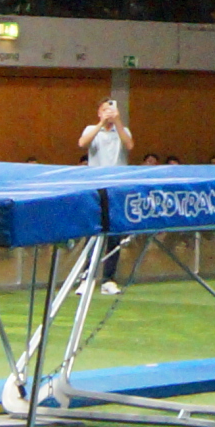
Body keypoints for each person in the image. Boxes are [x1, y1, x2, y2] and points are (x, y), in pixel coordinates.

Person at [79, 100, 134, 294]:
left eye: (111, 110)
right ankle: (87, 277)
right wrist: (102, 123)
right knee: (93, 232)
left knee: (114, 234)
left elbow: (129, 145)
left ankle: (108, 279)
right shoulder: (91, 129)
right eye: (104, 110)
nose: (108, 113)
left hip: (116, 188)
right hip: (95, 187)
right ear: (98, 112)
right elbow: (82, 143)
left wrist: (117, 121)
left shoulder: (123, 130)